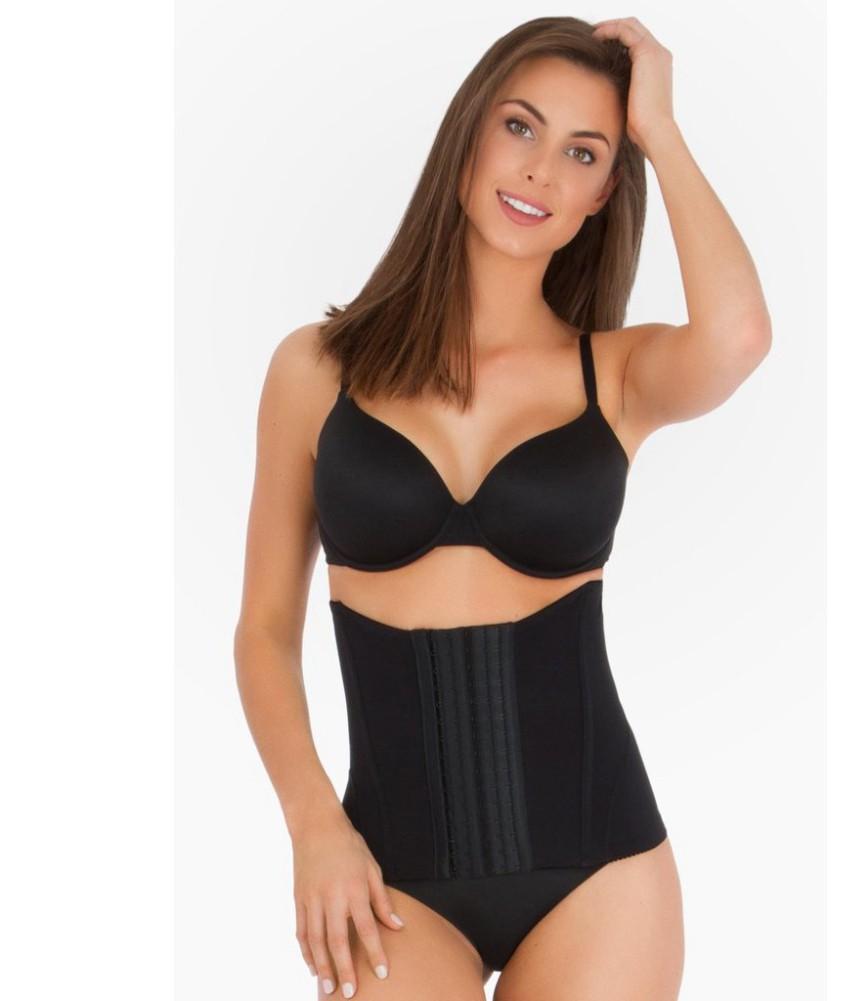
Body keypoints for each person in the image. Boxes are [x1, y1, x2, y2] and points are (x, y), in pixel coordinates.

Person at [234, 15, 770, 1000]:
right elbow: (264, 629)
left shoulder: (614, 375)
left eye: (582, 153)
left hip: (600, 868)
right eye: (519, 127)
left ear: (602, 194)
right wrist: (313, 825)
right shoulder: (316, 370)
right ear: (469, 134)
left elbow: (737, 336)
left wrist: (657, 127)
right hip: (388, 874)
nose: (539, 171)